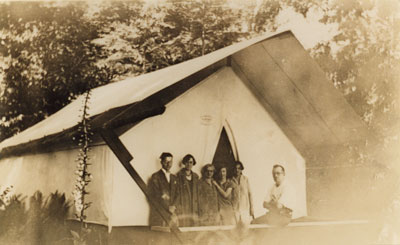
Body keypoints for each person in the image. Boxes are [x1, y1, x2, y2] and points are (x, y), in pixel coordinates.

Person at [148, 152, 179, 227]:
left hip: (173, 213)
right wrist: (168, 207)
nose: (169, 164)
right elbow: (156, 195)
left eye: (170, 162)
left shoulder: (174, 177)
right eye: (166, 162)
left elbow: (178, 194)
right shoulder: (155, 176)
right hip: (160, 213)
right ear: (161, 162)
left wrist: (173, 206)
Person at [176, 154, 200, 227]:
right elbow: (177, 192)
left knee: (194, 225)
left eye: (191, 162)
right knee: (184, 224)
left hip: (194, 205)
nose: (189, 164)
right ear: (184, 163)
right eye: (187, 162)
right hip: (184, 204)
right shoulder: (179, 175)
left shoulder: (196, 176)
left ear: (193, 163)